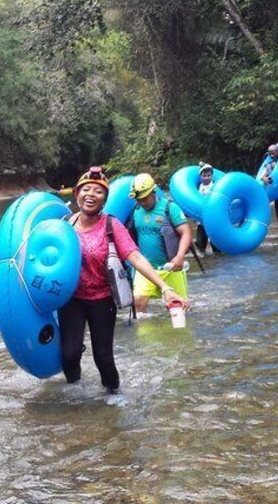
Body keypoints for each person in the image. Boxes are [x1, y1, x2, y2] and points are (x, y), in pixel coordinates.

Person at [60, 167, 187, 395]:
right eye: (86, 189)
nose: (91, 194)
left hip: (101, 299)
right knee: (69, 355)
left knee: (104, 358)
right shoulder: (64, 224)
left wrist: (165, 287)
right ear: (77, 194)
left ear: (104, 200)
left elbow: (135, 256)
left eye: (98, 192)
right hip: (72, 299)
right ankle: (75, 396)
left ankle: (114, 398)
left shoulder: (111, 225)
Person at [127, 173, 193, 313]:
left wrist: (180, 256)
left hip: (170, 267)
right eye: (138, 199)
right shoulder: (136, 211)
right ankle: (145, 334)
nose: (142, 202)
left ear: (153, 192)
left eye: (144, 199)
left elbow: (186, 232)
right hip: (146, 268)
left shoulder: (169, 208)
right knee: (138, 303)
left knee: (179, 308)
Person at [194, 164, 219, 254]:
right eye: (204, 176)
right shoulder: (197, 187)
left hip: (213, 219)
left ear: (212, 176)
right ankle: (202, 255)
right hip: (201, 220)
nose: (206, 178)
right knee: (201, 242)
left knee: (216, 245)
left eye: (209, 175)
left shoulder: (216, 186)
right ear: (200, 176)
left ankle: (217, 256)